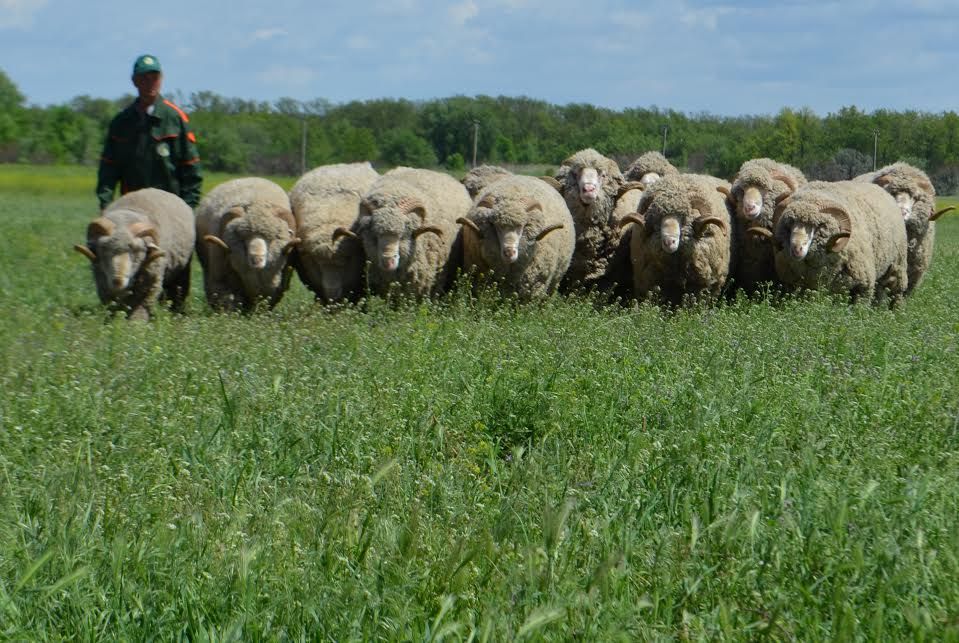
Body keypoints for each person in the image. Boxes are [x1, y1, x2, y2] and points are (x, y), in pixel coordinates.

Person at [96, 54, 203, 210]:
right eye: (144, 78)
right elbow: (108, 168)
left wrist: (187, 209)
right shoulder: (121, 122)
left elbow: (191, 168)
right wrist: (105, 204)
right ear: (134, 81)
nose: (150, 83)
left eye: (154, 77)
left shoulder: (175, 118)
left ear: (161, 79)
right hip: (132, 207)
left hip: (169, 208)